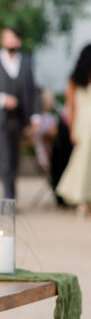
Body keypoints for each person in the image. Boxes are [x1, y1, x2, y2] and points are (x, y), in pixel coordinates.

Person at [0, 28, 38, 201]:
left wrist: (34, 116)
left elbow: (33, 90)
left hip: (19, 118)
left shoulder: (26, 61)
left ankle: (11, 193)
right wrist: (1, 99)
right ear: (2, 41)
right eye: (8, 38)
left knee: (14, 157)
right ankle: (9, 197)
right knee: (5, 155)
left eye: (14, 38)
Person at [56, 44, 91, 215]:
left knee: (82, 162)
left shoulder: (74, 79)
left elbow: (72, 109)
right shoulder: (76, 80)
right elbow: (73, 108)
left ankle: (82, 200)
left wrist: (72, 131)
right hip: (85, 123)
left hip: (83, 123)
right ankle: (83, 198)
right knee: (84, 162)